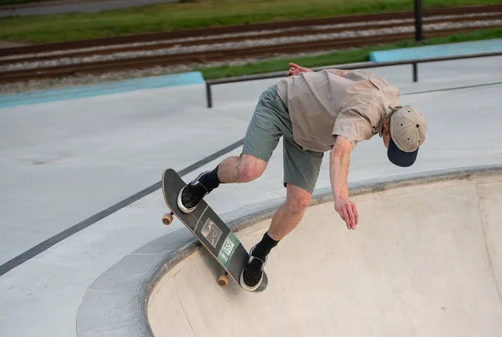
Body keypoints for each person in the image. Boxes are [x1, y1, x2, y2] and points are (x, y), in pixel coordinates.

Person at [177, 62, 427, 291]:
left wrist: (313, 75)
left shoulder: (389, 91)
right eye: (390, 143)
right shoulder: (366, 116)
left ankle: (260, 252)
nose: (387, 147)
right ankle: (204, 182)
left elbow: (345, 76)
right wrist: (341, 197)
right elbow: (340, 152)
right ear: (387, 128)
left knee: (299, 203)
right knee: (249, 170)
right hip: (282, 104)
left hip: (309, 139)